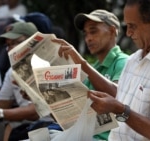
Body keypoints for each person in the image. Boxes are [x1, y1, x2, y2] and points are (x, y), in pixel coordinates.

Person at [54, 0, 150, 140]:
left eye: (132, 26)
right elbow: (120, 98)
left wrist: (120, 109)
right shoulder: (134, 59)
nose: (128, 33)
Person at [0, 22, 57, 141]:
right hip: (25, 126)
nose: (11, 49)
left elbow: (34, 112)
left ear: (34, 42)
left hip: (49, 127)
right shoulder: (12, 71)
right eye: (8, 45)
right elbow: (2, 103)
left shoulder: (45, 66)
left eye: (16, 43)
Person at [54, 9, 129, 140]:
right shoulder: (94, 67)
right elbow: (71, 115)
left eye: (93, 31)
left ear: (112, 31)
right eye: (85, 34)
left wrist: (82, 64)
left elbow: (118, 97)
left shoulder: (124, 62)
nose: (88, 38)